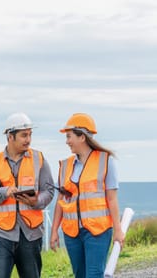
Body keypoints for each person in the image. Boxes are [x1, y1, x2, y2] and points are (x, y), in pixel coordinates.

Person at [0, 112, 54, 278]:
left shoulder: (38, 159)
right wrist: (4, 192)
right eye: (23, 135)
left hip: (31, 234)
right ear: (10, 137)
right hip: (2, 234)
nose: (28, 139)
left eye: (30, 135)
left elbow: (49, 190)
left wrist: (37, 201)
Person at [50, 113, 124, 278]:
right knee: (79, 275)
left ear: (81, 137)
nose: (67, 141)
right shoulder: (65, 166)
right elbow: (60, 201)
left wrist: (118, 230)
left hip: (98, 231)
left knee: (94, 274)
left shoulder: (106, 161)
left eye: (69, 136)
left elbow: (112, 199)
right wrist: (54, 230)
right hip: (71, 233)